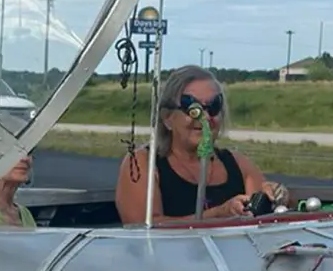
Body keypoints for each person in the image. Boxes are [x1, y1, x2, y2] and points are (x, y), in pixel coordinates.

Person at [114, 64, 288, 224]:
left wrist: (275, 196)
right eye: (192, 107)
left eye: (214, 106)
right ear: (167, 118)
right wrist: (219, 214)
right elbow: (143, 228)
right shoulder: (142, 163)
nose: (205, 117)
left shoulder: (240, 165)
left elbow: (262, 219)